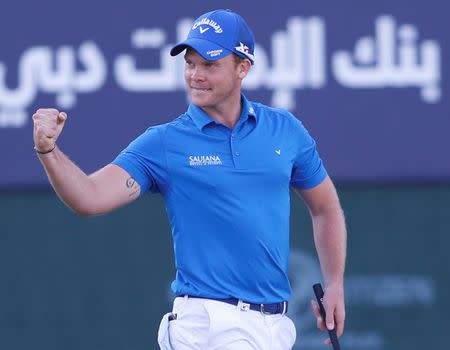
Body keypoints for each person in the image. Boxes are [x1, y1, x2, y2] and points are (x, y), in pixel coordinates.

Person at [32, 9, 346, 350]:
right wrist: (48, 151)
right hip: (207, 324)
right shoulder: (165, 143)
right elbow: (89, 198)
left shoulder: (285, 130)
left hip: (275, 327)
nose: (195, 75)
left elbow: (325, 207)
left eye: (209, 65)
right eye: (190, 64)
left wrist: (334, 284)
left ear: (243, 67)